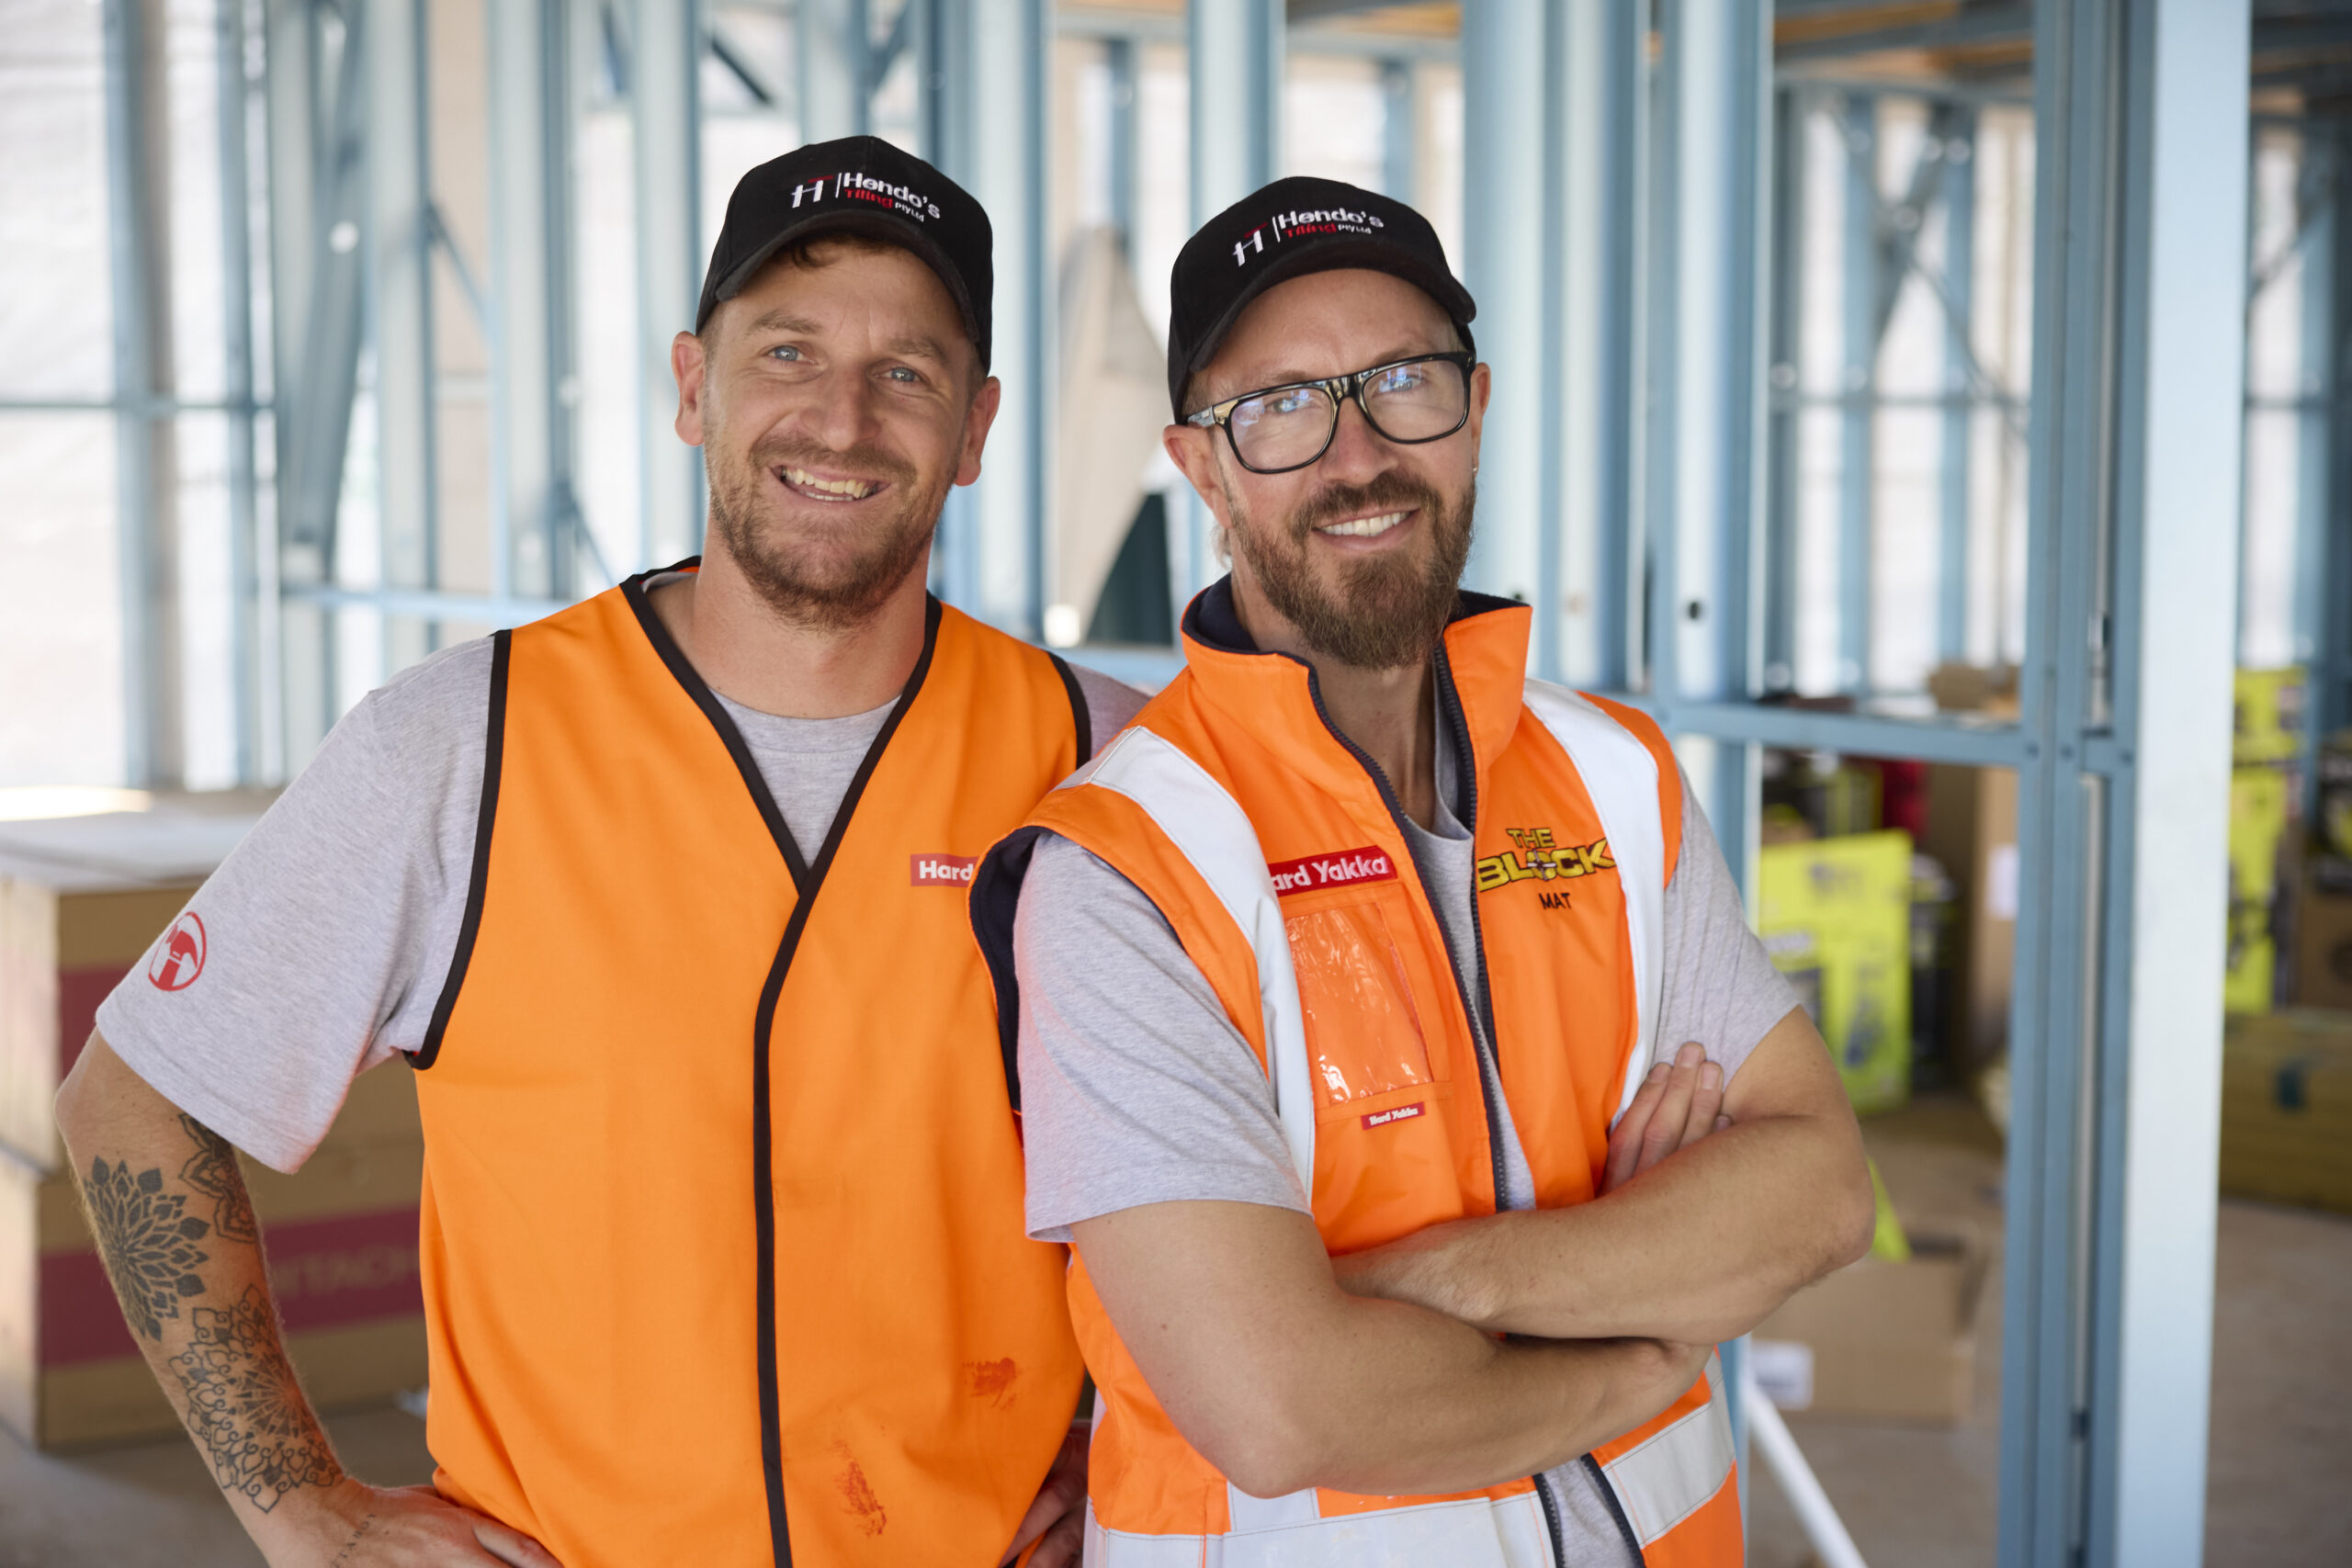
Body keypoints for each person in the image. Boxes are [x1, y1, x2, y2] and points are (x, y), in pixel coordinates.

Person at [55, 137, 1143, 1568]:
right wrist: (302, 1510)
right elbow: (135, 1101)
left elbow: (1244, 1153)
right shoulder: (464, 743)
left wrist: (1133, 1451)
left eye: (907, 371)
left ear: (978, 426)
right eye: (788, 352)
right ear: (693, 386)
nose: (842, 420)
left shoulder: (1098, 756)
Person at [970, 175, 1877, 1566]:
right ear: (1202, 467)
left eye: (1404, 380)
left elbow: (1820, 1192)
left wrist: (1446, 1281)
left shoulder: (1613, 775)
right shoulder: (1127, 871)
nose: (1359, 454)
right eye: (1280, 406)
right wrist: (1646, 1332)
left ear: (1476, 407)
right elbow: (1281, 1405)